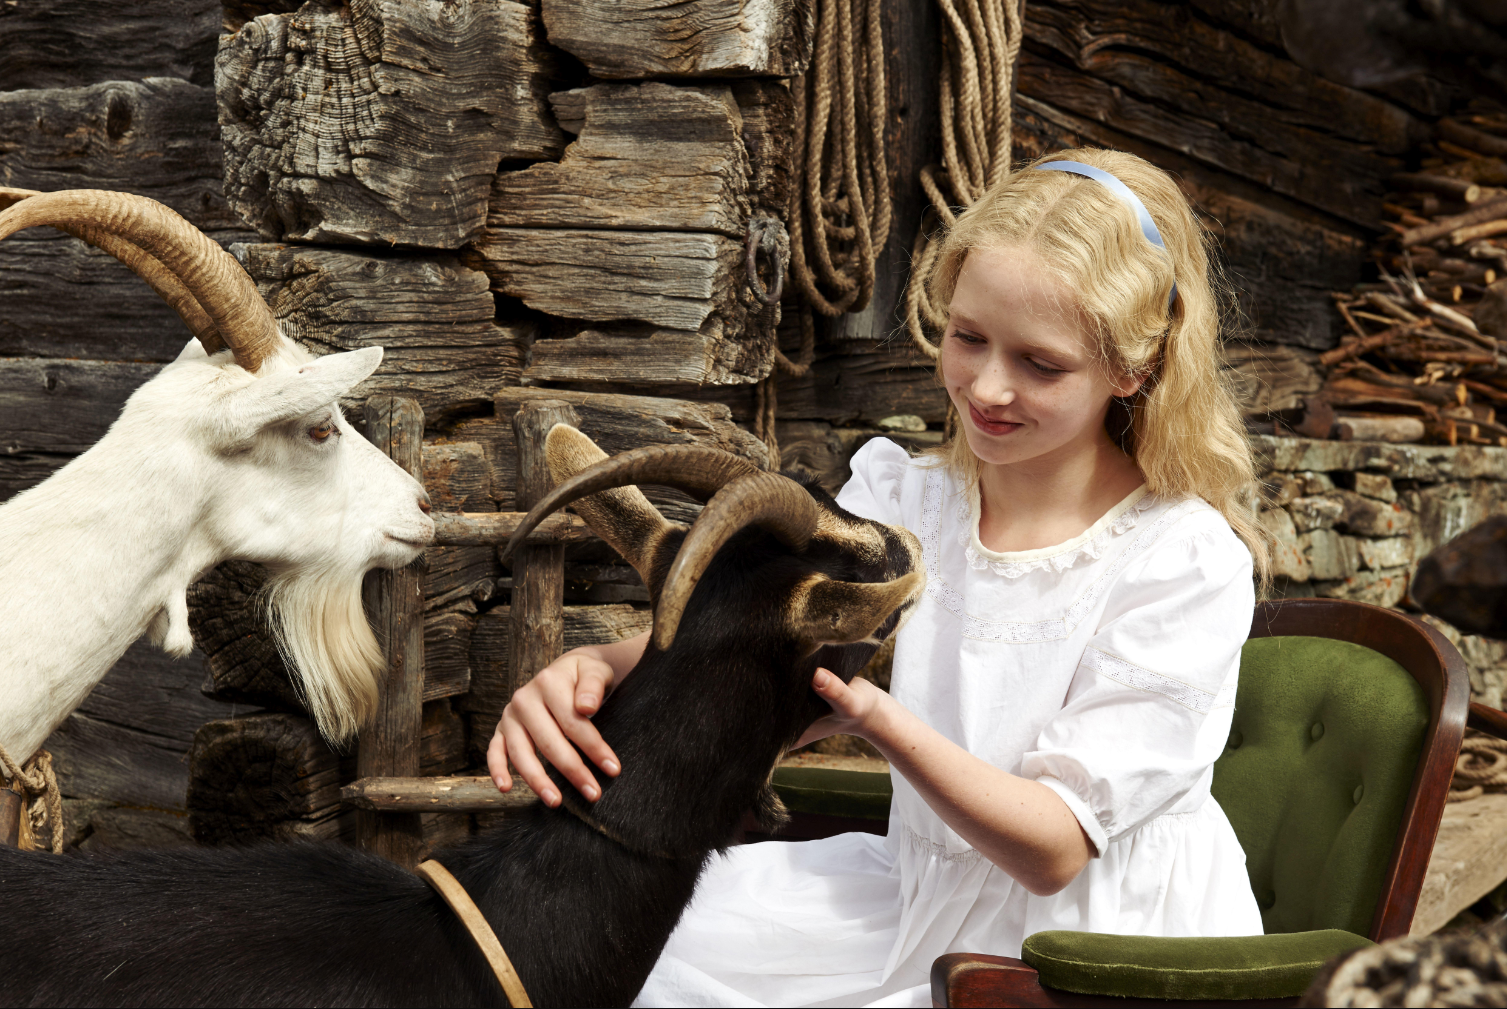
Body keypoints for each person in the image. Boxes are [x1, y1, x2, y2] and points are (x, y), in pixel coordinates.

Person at [487, 147, 1272, 1008]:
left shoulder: (1180, 558)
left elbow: (1052, 848)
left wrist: (873, 717)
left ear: (1134, 367)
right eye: (966, 337)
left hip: (1098, 945)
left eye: (1040, 364)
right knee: (630, 949)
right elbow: (765, 638)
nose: (986, 386)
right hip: (914, 894)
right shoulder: (909, 501)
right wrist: (599, 668)